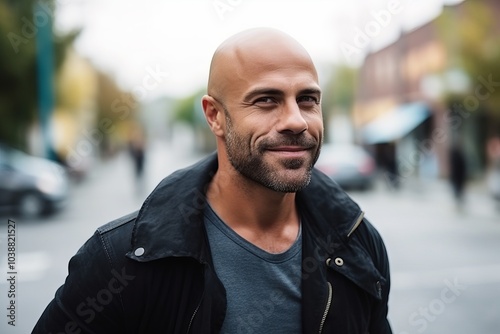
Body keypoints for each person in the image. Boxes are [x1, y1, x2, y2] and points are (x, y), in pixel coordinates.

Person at [32, 28, 392, 333]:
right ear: (215, 116)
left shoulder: (359, 244)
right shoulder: (121, 261)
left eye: (308, 99)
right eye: (267, 100)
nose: (296, 120)